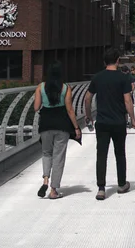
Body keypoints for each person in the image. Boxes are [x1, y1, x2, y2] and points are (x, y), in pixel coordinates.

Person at [84, 49, 135, 201]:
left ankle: (101, 188)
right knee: (120, 153)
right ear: (118, 60)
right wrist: (132, 119)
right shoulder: (123, 78)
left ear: (104, 62)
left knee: (101, 154)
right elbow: (127, 100)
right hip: (119, 121)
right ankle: (121, 184)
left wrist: (88, 116)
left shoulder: (97, 77)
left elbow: (87, 98)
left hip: (102, 121)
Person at [34, 62, 81, 199]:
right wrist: (76, 128)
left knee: (46, 153)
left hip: (45, 124)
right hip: (62, 125)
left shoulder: (40, 87)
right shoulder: (66, 88)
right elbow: (70, 110)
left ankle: (45, 180)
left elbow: (36, 107)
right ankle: (53, 190)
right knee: (58, 157)